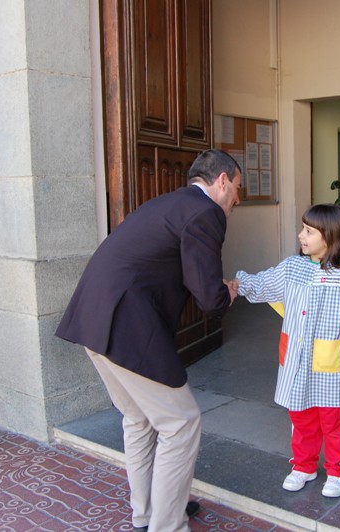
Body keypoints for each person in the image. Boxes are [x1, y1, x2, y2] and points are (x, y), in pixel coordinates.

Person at [55, 149, 242, 532]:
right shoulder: (206, 213)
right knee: (181, 422)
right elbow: (209, 297)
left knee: (139, 420)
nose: (238, 199)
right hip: (126, 326)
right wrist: (229, 292)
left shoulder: (170, 202)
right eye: (237, 188)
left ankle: (146, 515)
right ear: (221, 180)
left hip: (94, 319)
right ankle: (167, 525)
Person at [229, 204, 340, 499]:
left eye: (309, 231)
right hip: (294, 359)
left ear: (330, 236)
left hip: (328, 363)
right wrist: (239, 285)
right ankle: (304, 465)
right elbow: (264, 283)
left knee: (332, 420)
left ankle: (338, 469)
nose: (301, 235)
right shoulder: (292, 267)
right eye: (303, 228)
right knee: (300, 416)